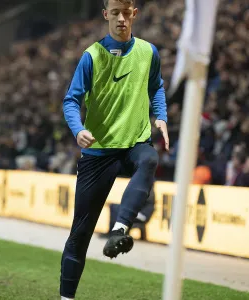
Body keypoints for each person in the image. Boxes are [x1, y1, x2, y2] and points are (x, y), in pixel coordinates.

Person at [60, 0, 169, 299]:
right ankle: (65, 297)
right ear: (106, 14)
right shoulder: (91, 56)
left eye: (126, 12)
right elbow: (71, 100)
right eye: (115, 13)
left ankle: (120, 228)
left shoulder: (149, 52)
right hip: (98, 152)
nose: (121, 18)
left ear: (134, 14)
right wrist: (78, 129)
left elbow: (156, 86)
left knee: (149, 159)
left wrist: (161, 115)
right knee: (80, 234)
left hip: (134, 143)